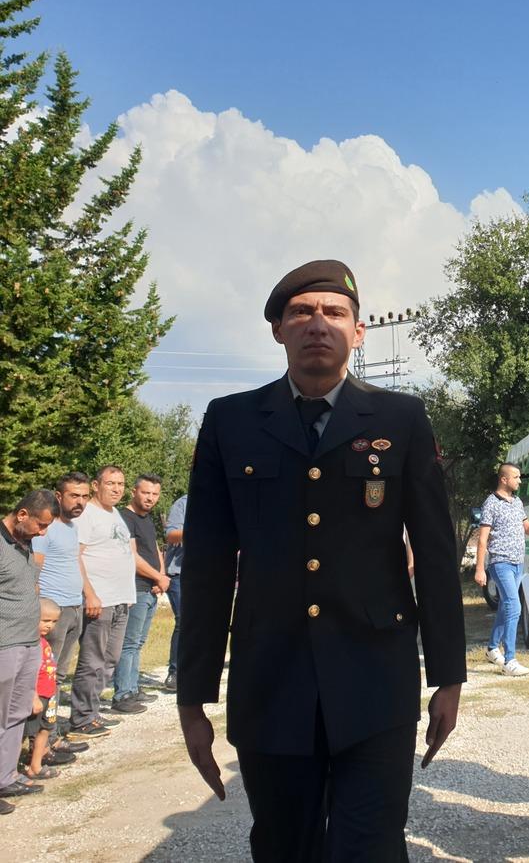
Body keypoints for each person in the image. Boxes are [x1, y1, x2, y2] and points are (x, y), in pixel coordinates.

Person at [179, 258, 466, 861]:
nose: (318, 324)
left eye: (334, 313)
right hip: (271, 682)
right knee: (284, 847)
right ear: (278, 329)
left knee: (373, 847)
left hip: (375, 680)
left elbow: (437, 554)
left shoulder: (401, 418)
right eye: (301, 312)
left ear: (358, 332)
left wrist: (448, 675)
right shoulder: (230, 421)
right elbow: (206, 566)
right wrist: (192, 696)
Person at [69, 465, 138, 737]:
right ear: (96, 485)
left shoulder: (116, 514)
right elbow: (76, 555)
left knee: (110, 659)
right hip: (100, 600)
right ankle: (82, 718)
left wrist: (128, 594)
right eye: (111, 483)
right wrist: (89, 593)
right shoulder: (87, 514)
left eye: (121, 484)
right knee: (92, 660)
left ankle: (93, 713)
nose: (117, 489)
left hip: (121, 599)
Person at [0, 489, 58, 810]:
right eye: (41, 524)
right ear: (22, 515)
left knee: (17, 713)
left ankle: (6, 778)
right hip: (4, 643)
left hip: (29, 642)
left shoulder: (26, 541)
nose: (43, 532)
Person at [31, 472, 96, 755]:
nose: (80, 501)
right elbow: (35, 568)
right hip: (52, 611)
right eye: (74, 495)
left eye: (84, 496)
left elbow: (75, 562)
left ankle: (52, 736)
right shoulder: (47, 527)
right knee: (46, 676)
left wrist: (88, 593)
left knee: (59, 676)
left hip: (74, 606)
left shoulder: (71, 527)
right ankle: (42, 743)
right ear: (59, 496)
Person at [474, 463, 529, 677]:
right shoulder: (491, 503)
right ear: (504, 479)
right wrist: (479, 569)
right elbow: (482, 539)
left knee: (505, 606)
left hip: (518, 564)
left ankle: (493, 649)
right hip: (500, 563)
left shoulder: (518, 502)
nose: (520, 481)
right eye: (516, 477)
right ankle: (510, 660)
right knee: (514, 606)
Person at [113, 473, 169, 711]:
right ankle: (123, 694)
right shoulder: (125, 517)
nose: (150, 498)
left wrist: (162, 575)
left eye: (155, 494)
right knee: (129, 643)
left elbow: (155, 548)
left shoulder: (147, 518)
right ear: (134, 491)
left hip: (151, 588)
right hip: (135, 587)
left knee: (139, 642)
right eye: (146, 493)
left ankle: (133, 688)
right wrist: (158, 576)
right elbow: (131, 555)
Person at [22, 597, 64, 780]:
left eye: (54, 622)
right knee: (23, 734)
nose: (50, 626)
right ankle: (9, 772)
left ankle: (35, 766)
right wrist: (33, 697)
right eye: (45, 620)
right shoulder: (29, 644)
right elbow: (27, 673)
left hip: (50, 695)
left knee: (45, 730)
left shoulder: (44, 642)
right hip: (36, 696)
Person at [161, 493, 187, 692]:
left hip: (205, 573)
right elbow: (171, 535)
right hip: (179, 573)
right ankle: (175, 672)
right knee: (184, 621)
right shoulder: (183, 503)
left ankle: (194, 670)